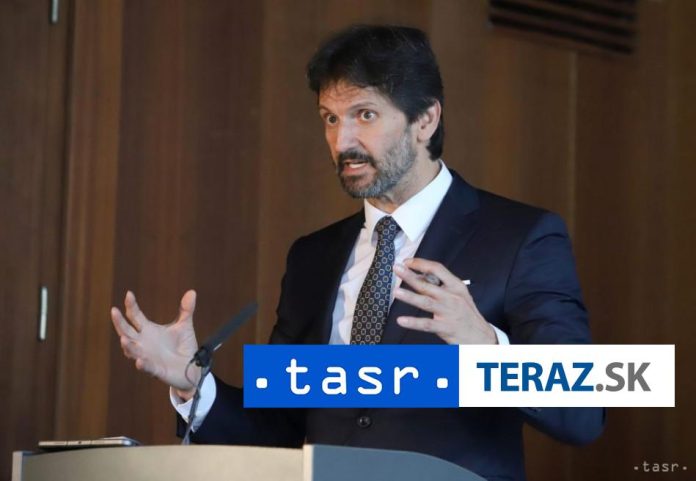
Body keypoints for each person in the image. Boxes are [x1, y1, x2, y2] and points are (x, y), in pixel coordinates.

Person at [111, 25, 604, 481]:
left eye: (364, 115)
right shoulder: (312, 258)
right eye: (330, 118)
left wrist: (486, 348)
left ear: (425, 119)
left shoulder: (521, 238)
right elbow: (279, 429)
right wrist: (193, 384)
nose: (341, 140)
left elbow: (582, 414)